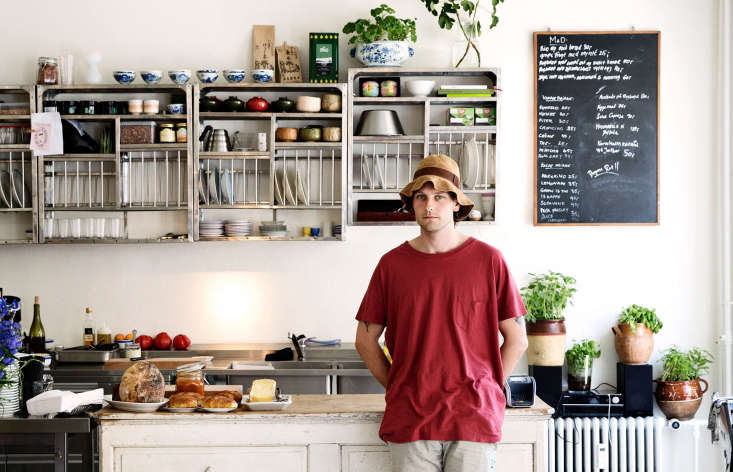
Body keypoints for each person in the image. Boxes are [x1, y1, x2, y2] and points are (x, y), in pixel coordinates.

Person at [354, 154, 529, 472]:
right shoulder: (392, 265)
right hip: (411, 419)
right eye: (421, 197)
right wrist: (399, 387)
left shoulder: (489, 261)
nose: (429, 205)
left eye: (439, 196)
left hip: (473, 419)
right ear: (412, 204)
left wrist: (488, 388)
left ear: (456, 204)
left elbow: (517, 339)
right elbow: (365, 341)